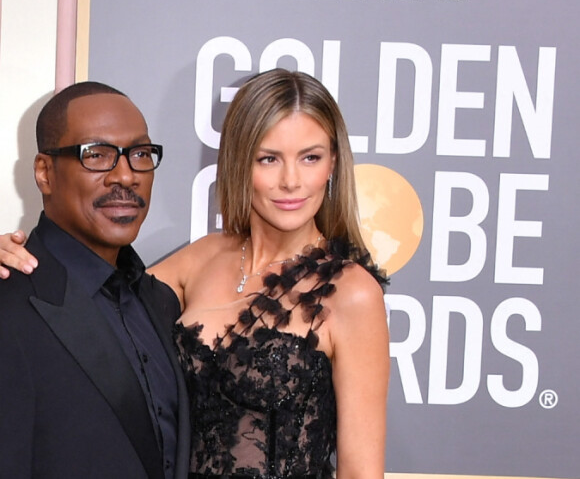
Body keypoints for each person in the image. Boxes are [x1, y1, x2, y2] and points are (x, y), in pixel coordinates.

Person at [1, 69, 390, 478]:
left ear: (332, 165)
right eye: (269, 158)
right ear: (241, 162)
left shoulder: (350, 293)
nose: (291, 181)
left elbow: (360, 472)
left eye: (310, 157)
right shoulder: (198, 260)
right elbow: (90, 301)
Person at [0, 82, 190, 479]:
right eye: (97, 155)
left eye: (140, 154)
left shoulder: (161, 303)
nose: (126, 175)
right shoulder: (8, 300)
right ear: (44, 172)